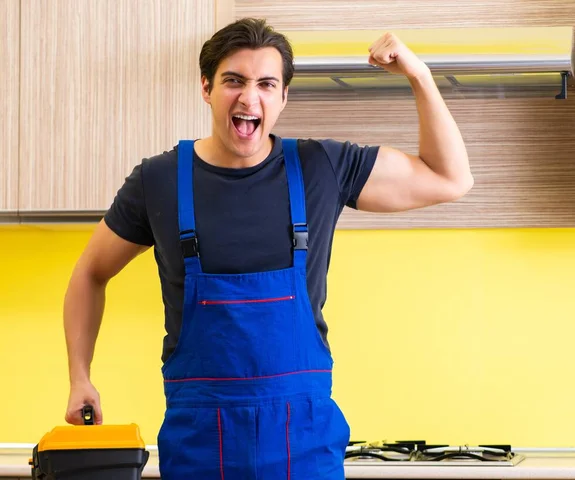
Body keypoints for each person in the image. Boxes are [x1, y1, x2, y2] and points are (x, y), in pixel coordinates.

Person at [63, 17, 473, 479]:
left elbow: (450, 178)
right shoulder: (157, 181)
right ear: (206, 88)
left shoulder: (323, 167)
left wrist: (420, 76)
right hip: (201, 446)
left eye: (266, 83)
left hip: (305, 445)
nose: (248, 97)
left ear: (282, 96)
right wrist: (80, 377)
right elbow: (89, 273)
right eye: (233, 81)